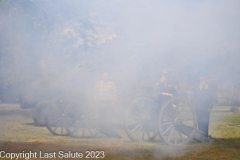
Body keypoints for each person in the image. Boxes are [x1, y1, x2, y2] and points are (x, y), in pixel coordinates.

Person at [94, 72, 120, 138]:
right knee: (100, 118)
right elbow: (94, 93)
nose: (105, 77)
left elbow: (116, 94)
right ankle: (100, 130)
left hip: (109, 103)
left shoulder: (111, 84)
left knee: (108, 118)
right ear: (102, 76)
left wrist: (113, 102)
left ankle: (109, 132)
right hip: (100, 102)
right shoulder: (98, 83)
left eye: (106, 76)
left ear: (108, 77)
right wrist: (96, 100)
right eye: (104, 75)